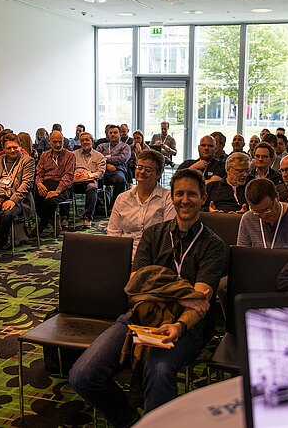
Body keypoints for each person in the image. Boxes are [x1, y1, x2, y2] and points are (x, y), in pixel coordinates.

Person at [70, 169, 225, 426]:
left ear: (203, 198)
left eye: (192, 194)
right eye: (179, 194)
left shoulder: (213, 244)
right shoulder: (154, 235)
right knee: (83, 376)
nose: (185, 200)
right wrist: (182, 294)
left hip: (186, 326)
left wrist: (178, 323)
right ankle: (131, 422)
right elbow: (135, 286)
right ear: (171, 197)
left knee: (159, 370)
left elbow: (199, 301)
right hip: (140, 316)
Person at [107, 149, 174, 260]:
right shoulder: (122, 198)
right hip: (125, 253)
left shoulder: (168, 198)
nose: (142, 172)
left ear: (158, 174)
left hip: (154, 255)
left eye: (148, 170)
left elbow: (168, 235)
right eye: (139, 167)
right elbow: (113, 233)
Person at [0, 133, 35, 253]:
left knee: (7, 214)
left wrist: (12, 200)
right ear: (3, 149)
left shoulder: (27, 161)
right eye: (9, 148)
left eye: (15, 147)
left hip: (19, 200)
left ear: (20, 146)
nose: (12, 150)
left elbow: (26, 185)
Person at [238, 179, 288, 250]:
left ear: (277, 197)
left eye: (267, 210)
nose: (263, 216)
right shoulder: (248, 219)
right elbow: (242, 255)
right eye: (256, 211)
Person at [35, 130, 75, 235]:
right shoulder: (44, 155)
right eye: (55, 142)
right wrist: (39, 184)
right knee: (35, 196)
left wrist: (57, 191)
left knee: (51, 201)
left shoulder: (70, 155)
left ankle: (43, 223)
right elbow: (39, 173)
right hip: (46, 184)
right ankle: (52, 219)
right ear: (49, 142)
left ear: (63, 141)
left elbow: (68, 176)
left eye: (60, 142)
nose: (58, 145)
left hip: (62, 186)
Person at [73, 132, 106, 229]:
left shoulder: (99, 156)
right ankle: (64, 217)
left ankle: (87, 217)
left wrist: (88, 175)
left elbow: (100, 172)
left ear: (92, 141)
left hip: (91, 180)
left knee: (92, 187)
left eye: (87, 140)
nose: (85, 142)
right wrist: (75, 175)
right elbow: (68, 169)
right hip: (76, 181)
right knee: (64, 185)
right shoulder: (73, 155)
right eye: (82, 140)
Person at [97, 125, 131, 206]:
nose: (113, 134)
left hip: (118, 171)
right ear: (108, 134)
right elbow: (97, 158)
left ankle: (114, 205)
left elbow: (122, 159)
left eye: (115, 133)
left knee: (121, 180)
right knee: (95, 179)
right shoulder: (101, 146)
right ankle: (99, 204)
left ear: (120, 134)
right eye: (111, 133)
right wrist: (107, 165)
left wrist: (105, 158)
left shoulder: (125, 147)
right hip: (102, 170)